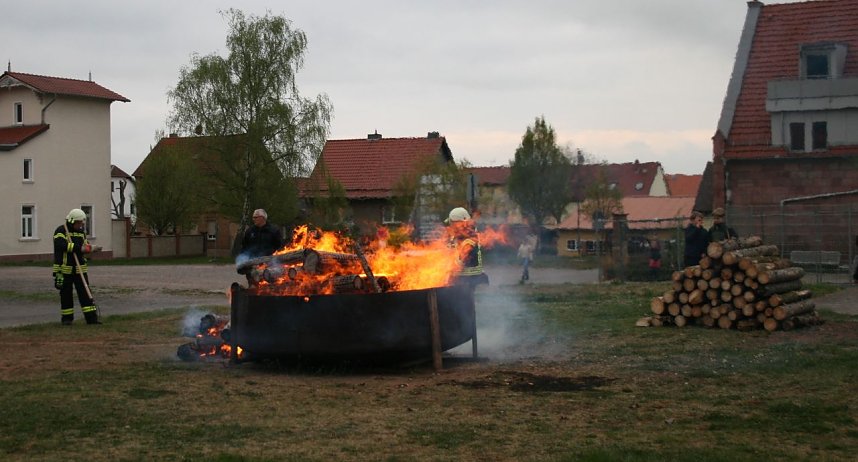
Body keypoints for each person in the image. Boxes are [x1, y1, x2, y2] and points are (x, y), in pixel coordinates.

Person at [53, 208, 100, 325]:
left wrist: (90, 248)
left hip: (80, 269)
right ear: (72, 221)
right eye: (79, 223)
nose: (80, 225)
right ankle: (67, 320)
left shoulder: (80, 232)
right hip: (64, 270)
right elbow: (60, 245)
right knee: (66, 296)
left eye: (82, 223)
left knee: (85, 294)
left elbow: (84, 245)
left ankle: (92, 319)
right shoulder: (61, 230)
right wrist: (79, 248)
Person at [445, 207, 488, 287]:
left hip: (471, 282)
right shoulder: (456, 237)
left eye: (453, 223)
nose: (451, 226)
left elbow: (460, 263)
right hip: (460, 281)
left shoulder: (469, 240)